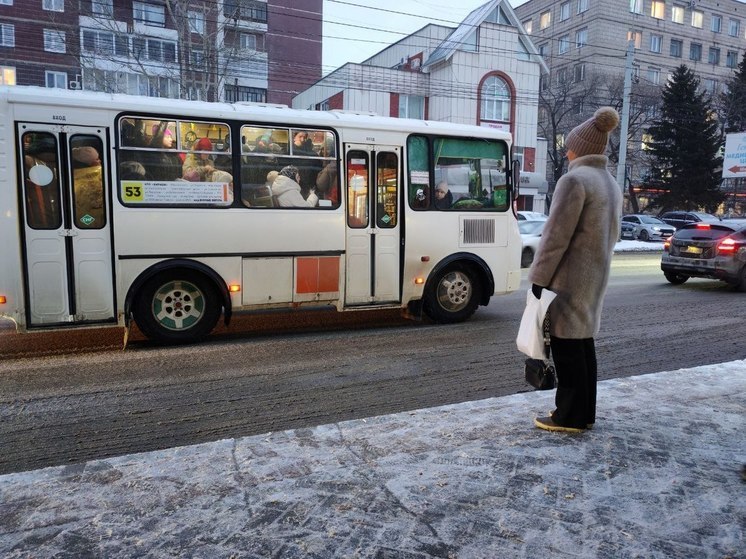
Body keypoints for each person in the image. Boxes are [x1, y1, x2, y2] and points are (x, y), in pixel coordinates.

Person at [528, 106, 621, 434]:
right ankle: (585, 413)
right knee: (583, 346)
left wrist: (538, 280)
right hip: (594, 277)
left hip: (568, 281)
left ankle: (568, 416)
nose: (566, 150)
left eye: (570, 146)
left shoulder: (575, 180)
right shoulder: (609, 182)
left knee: (567, 348)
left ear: (580, 149)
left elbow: (554, 238)